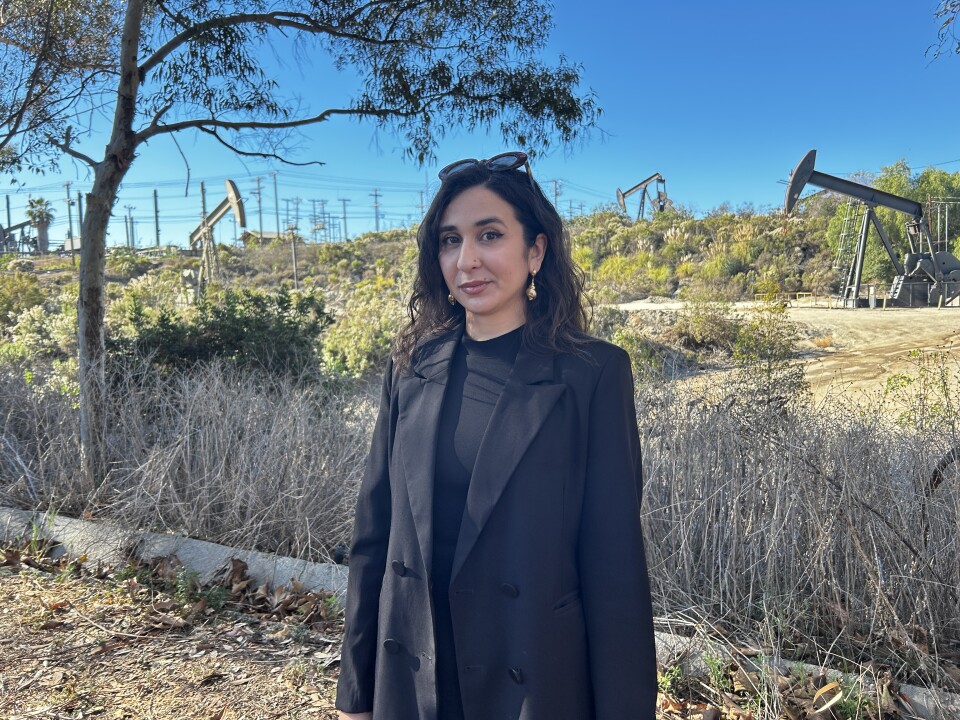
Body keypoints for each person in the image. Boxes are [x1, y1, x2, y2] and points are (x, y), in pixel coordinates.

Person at [335, 151, 657, 720]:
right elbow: (374, 536)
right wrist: (357, 693)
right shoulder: (412, 365)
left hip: (533, 677)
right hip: (416, 676)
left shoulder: (592, 373)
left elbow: (615, 568)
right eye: (449, 240)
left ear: (535, 251)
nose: (467, 260)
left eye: (490, 235)